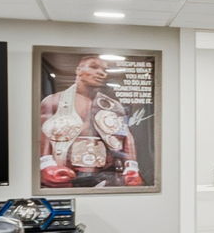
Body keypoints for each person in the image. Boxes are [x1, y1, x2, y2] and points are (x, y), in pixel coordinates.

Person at [38, 54, 141, 188]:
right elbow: (43, 135)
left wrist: (132, 167)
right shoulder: (54, 101)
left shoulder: (114, 106)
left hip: (105, 174)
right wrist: (46, 165)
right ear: (78, 70)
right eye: (93, 67)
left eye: (104, 70)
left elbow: (127, 137)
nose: (101, 73)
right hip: (66, 172)